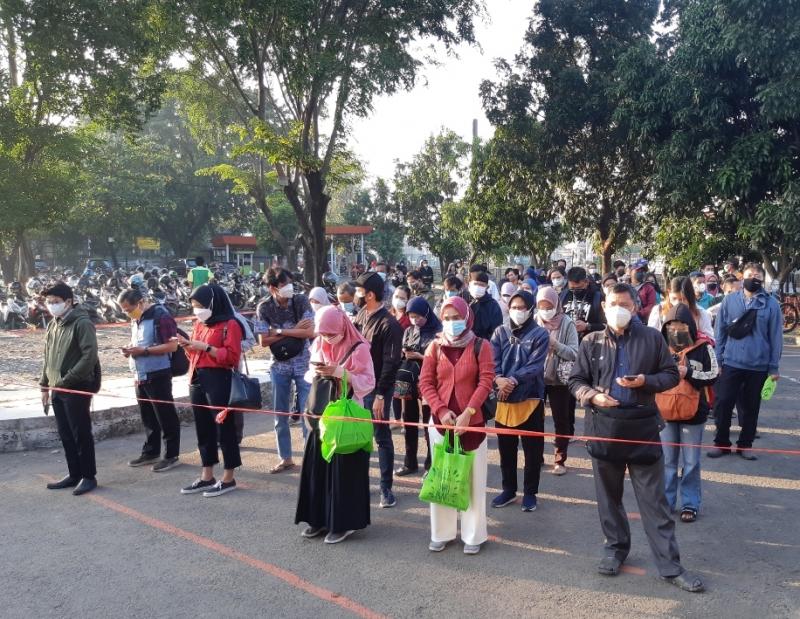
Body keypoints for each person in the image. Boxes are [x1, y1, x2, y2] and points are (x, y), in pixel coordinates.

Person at [568, 283, 704, 592]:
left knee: (654, 503)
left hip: (643, 429)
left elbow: (671, 375)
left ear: (635, 308)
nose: (619, 309)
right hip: (604, 429)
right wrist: (591, 396)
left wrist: (645, 381)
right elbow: (575, 380)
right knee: (608, 499)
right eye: (613, 303)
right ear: (604, 306)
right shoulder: (591, 342)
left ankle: (670, 566)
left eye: (625, 305)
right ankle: (615, 549)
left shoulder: (653, 338)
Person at [418, 296, 495, 555]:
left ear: (467, 317)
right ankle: (442, 532)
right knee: (443, 478)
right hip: (441, 424)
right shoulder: (434, 347)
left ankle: (474, 535)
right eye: (447, 318)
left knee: (473, 481)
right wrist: (440, 410)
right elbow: (425, 383)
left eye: (456, 317)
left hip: (472, 424)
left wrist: (468, 412)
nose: (452, 323)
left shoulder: (480, 346)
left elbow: (486, 380)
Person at [295, 306, 375, 544]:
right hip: (321, 413)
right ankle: (317, 518)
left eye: (331, 333)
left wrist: (342, 373)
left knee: (344, 470)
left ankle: (344, 523)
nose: (328, 338)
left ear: (342, 326)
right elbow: (308, 375)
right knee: (317, 466)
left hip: (347, 415)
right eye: (323, 333)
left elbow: (368, 382)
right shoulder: (319, 343)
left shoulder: (359, 348)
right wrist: (319, 370)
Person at [709, 263, 782, 460]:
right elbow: (720, 332)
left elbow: (776, 337)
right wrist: (718, 360)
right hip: (731, 362)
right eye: (750, 275)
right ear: (742, 278)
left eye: (758, 275)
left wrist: (773, 367)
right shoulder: (730, 301)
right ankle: (721, 442)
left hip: (758, 365)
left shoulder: (771, 304)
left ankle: (745, 444)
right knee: (723, 403)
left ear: (762, 279)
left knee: (751, 407)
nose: (753, 278)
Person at [178, 284, 245, 497]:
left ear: (212, 303)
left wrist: (206, 347)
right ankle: (207, 475)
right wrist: (188, 347)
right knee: (203, 429)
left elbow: (232, 357)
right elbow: (195, 352)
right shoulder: (200, 324)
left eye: (200, 305)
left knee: (224, 429)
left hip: (219, 378)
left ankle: (229, 477)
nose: (197, 310)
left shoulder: (230, 324)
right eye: (194, 306)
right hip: (197, 377)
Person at [659, 304, 719, 523]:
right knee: (667, 460)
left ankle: (690, 503)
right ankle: (665, 501)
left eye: (681, 324)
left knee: (691, 461)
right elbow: (650, 375)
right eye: (671, 325)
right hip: (664, 411)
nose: (676, 329)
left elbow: (713, 375)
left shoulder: (704, 347)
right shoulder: (660, 346)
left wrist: (689, 372)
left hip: (694, 413)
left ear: (691, 326)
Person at [490, 290, 550, 511]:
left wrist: (512, 380)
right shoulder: (500, 332)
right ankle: (508, 490)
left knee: (533, 451)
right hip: (503, 400)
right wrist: (498, 380)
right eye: (513, 307)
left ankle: (530, 493)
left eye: (522, 307)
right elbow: (492, 360)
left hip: (530, 399)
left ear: (531, 309)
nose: (517, 311)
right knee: (506, 449)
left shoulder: (540, 334)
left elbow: (535, 366)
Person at [40, 282, 100, 496]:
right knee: (65, 433)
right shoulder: (53, 324)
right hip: (58, 387)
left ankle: (88, 476)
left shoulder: (82, 323)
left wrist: (67, 380)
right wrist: (44, 385)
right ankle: (74, 473)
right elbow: (48, 357)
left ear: (68, 301)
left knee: (80, 433)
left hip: (76, 387)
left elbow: (89, 357)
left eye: (55, 302)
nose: (51, 306)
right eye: (49, 302)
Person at [354, 271, 404, 508]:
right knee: (360, 438)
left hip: (377, 390)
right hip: (357, 387)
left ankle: (386, 487)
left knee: (381, 438)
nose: (356, 295)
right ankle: (360, 482)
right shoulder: (361, 315)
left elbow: (391, 362)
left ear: (370, 294)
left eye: (359, 291)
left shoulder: (389, 324)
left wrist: (381, 395)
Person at [258, 268, 315, 473]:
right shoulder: (264, 308)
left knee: (308, 414)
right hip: (279, 366)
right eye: (284, 285)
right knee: (280, 415)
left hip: (304, 364)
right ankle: (286, 458)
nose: (289, 287)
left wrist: (279, 331)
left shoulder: (301, 301)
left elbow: (309, 331)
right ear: (272, 288)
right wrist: (295, 330)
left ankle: (311, 459)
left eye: (290, 282)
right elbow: (263, 340)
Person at [118, 288, 181, 472]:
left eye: (129, 309)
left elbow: (172, 345)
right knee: (148, 416)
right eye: (124, 310)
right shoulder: (136, 319)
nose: (128, 313)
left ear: (140, 302)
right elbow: (141, 343)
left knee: (165, 415)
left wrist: (143, 351)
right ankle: (151, 451)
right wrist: (131, 349)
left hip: (158, 373)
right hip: (140, 374)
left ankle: (171, 455)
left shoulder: (161, 316)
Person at [395, 297, 442, 475]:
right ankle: (410, 462)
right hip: (408, 380)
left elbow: (441, 359)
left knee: (429, 423)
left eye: (418, 316)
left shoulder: (437, 331)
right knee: (409, 421)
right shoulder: (409, 330)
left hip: (429, 381)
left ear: (427, 313)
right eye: (411, 316)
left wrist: (420, 356)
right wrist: (405, 353)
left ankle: (431, 465)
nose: (415, 320)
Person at [536, 286, 579, 475]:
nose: (545, 310)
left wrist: (555, 345)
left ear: (556, 304)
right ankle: (536, 456)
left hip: (559, 380)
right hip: (536, 378)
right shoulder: (534, 322)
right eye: (541, 306)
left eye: (549, 306)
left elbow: (574, 353)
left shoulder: (567, 323)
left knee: (561, 420)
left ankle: (560, 459)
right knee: (535, 419)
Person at [649, 277, 714, 339]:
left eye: (683, 299)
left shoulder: (700, 313)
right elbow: (651, 337)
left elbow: (710, 340)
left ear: (690, 298)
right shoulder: (658, 310)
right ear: (669, 294)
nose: (678, 303)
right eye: (674, 298)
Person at [562, 267, 605, 340]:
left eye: (579, 288)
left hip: (591, 342)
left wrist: (588, 326)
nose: (575, 291)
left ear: (586, 282)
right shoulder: (563, 295)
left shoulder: (598, 297)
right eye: (572, 288)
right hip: (568, 342)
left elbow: (606, 326)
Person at [467, 270, 504, 340]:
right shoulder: (469, 303)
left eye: (481, 285)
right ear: (470, 284)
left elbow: (496, 332)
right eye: (476, 284)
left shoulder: (493, 306)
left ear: (487, 287)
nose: (478, 287)